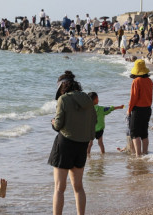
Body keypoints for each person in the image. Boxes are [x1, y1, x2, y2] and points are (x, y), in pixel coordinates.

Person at [49, 71, 96, 215]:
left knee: (59, 188)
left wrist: (52, 122)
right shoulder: (88, 99)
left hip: (65, 144)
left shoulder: (63, 100)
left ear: (62, 87)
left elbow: (58, 125)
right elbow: (94, 121)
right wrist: (88, 140)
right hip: (82, 144)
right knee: (78, 187)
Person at [127, 60, 153, 156]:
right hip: (147, 108)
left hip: (138, 109)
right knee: (144, 132)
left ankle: (138, 155)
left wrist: (129, 110)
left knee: (134, 133)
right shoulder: (149, 81)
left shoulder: (136, 81)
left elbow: (133, 97)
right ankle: (145, 153)